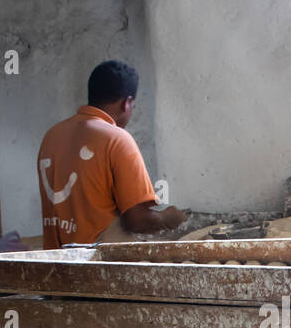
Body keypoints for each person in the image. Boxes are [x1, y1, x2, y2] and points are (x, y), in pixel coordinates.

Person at [37, 60, 185, 247]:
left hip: (56, 264)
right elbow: (137, 220)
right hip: (99, 264)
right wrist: (168, 218)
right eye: (133, 106)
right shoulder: (117, 139)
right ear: (126, 103)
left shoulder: (52, 136)